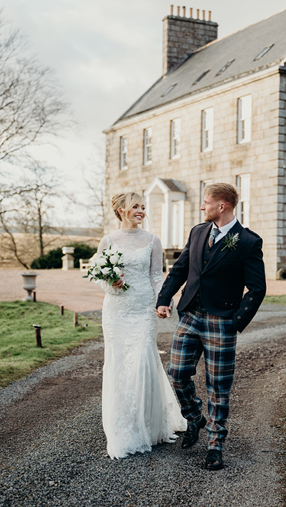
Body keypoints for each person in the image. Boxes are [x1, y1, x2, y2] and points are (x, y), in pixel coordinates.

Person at [156, 183, 266, 470]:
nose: (202, 207)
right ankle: (194, 416)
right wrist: (164, 298)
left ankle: (215, 444)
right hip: (190, 314)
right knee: (177, 373)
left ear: (222, 206)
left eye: (206, 202)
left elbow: (256, 288)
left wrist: (234, 322)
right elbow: (180, 269)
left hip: (222, 322)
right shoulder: (197, 232)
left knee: (219, 387)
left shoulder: (248, 242)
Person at [96, 192, 186, 459]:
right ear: (122, 210)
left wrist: (164, 301)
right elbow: (100, 276)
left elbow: (157, 277)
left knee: (142, 361)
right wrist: (111, 283)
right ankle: (124, 427)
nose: (141, 211)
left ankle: (148, 425)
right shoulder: (108, 241)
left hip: (143, 309)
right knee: (120, 363)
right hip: (117, 310)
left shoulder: (152, 240)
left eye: (143, 207)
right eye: (136, 206)